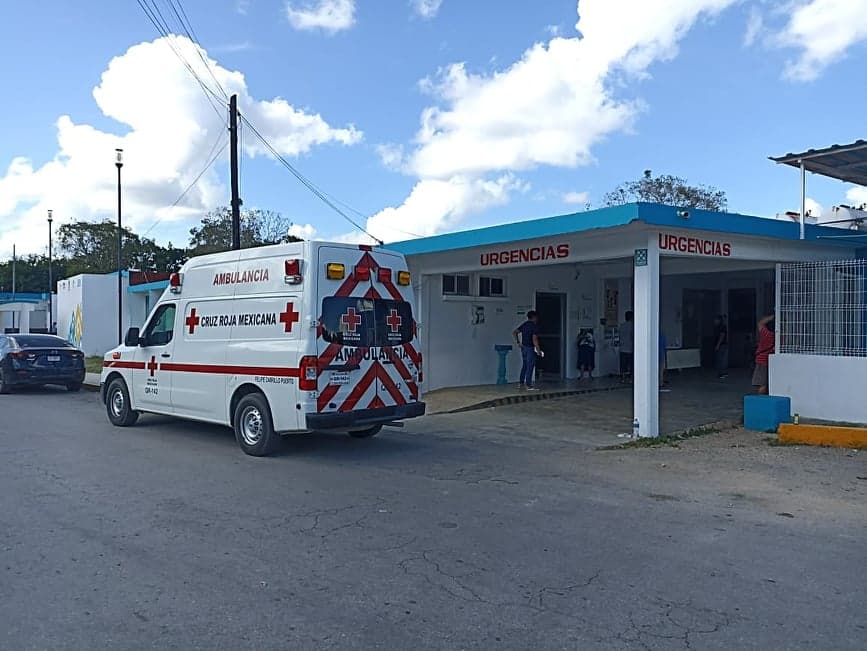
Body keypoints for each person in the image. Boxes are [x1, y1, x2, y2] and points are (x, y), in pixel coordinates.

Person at [513, 310, 542, 390]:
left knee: (525, 365)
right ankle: (528, 385)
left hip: (524, 347)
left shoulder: (525, 325)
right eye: (536, 317)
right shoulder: (534, 326)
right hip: (530, 348)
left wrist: (518, 342)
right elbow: (534, 339)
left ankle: (521, 382)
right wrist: (538, 350)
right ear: (534, 317)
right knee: (530, 366)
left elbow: (515, 332)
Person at [753, 314, 775, 395]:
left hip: (762, 361)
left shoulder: (766, 335)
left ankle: (761, 401)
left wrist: (773, 316)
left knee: (762, 384)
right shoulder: (778, 337)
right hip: (773, 361)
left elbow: (760, 323)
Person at [619, 311, 634, 383]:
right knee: (631, 365)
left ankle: (623, 378)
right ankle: (631, 379)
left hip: (622, 348)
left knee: (623, 365)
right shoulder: (632, 326)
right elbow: (632, 336)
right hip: (630, 348)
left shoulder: (622, 325)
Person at [714, 315, 729, 379]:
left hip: (722, 345)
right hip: (723, 345)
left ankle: (721, 373)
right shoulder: (718, 327)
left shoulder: (721, 327)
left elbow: (722, 336)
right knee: (722, 359)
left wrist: (718, 345)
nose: (714, 321)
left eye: (716, 320)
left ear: (719, 320)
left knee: (721, 359)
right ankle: (723, 373)